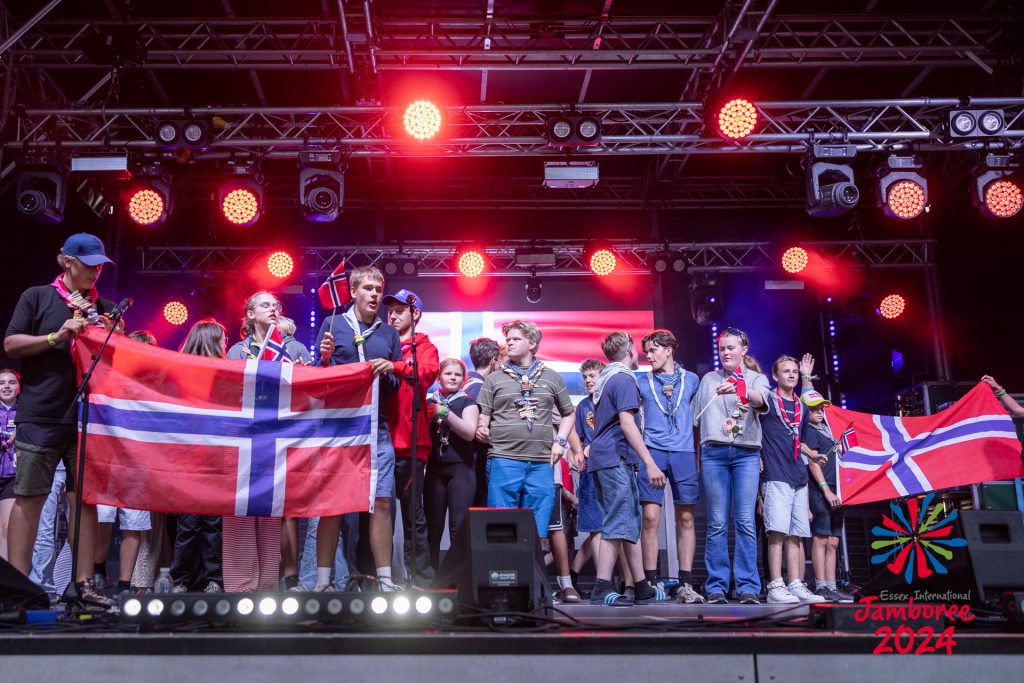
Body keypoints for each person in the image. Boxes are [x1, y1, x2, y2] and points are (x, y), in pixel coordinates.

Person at [4, 233, 117, 607]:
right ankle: (17, 587)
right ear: (65, 261)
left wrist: (107, 336)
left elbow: (122, 364)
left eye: (99, 265)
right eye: (88, 264)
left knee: (85, 500)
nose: (95, 271)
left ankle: (83, 585)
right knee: (30, 498)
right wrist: (56, 335)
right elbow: (11, 344)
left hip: (89, 417)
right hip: (41, 415)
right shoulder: (37, 296)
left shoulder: (106, 307)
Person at [316, 266, 403, 592]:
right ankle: (324, 582)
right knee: (332, 503)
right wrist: (324, 360)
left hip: (376, 426)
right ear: (353, 292)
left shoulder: (388, 333)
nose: (375, 294)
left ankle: (385, 580)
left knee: (382, 501)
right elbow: (319, 381)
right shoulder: (333, 324)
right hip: (340, 426)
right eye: (368, 288)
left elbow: (395, 385)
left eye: (378, 288)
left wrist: (387, 370)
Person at [586, 332, 667, 606]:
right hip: (613, 457)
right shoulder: (623, 379)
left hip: (611, 457)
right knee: (617, 521)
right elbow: (627, 424)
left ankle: (642, 585)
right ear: (631, 350)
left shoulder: (609, 377)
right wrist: (650, 462)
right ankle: (601, 587)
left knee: (629, 520)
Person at [475, 320, 575, 540]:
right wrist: (481, 427)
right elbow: (484, 414)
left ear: (532, 343)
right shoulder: (494, 379)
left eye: (515, 339)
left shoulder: (551, 377)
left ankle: (529, 573)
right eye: (508, 339)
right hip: (504, 457)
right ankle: (503, 572)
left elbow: (569, 413)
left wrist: (560, 442)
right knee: (501, 524)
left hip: (541, 462)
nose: (509, 343)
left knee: (536, 528)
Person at [691, 327, 769, 605]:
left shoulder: (756, 378)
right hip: (714, 454)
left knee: (746, 521)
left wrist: (739, 387)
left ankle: (748, 586)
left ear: (744, 350)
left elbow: (761, 401)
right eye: (722, 348)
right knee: (717, 522)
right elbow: (695, 421)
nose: (725, 352)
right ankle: (717, 587)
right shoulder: (709, 379)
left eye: (731, 348)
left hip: (747, 455)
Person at [224, 291, 296, 592]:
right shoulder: (237, 352)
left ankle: (267, 584)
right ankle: (241, 587)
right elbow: (227, 390)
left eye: (275, 305)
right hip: (243, 438)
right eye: (265, 305)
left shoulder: (292, 349)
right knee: (240, 509)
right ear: (250, 314)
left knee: (270, 512)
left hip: (275, 438)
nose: (273, 309)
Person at [637, 329, 704, 604]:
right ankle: (651, 582)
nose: (649, 356)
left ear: (669, 350)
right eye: (646, 352)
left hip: (683, 452)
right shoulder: (642, 382)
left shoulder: (692, 380)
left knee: (686, 518)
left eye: (653, 350)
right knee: (651, 518)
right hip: (652, 451)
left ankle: (685, 583)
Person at [759, 355, 825, 605]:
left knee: (797, 534)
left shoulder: (802, 407)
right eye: (786, 371)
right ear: (775, 376)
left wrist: (813, 455)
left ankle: (795, 582)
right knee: (777, 531)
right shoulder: (768, 401)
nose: (791, 375)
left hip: (799, 475)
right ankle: (775, 584)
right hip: (776, 474)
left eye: (795, 372)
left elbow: (800, 439)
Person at [384, 289, 439, 584]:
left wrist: (392, 365)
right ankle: (377, 577)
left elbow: (427, 373)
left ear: (414, 314)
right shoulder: (380, 343)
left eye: (398, 311)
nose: (391, 315)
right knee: (378, 515)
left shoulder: (424, 347)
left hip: (410, 446)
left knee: (412, 516)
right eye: (389, 310)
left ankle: (420, 580)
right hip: (379, 442)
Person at [170, 319, 226, 593]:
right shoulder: (181, 373)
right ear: (211, 341)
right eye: (222, 340)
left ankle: (213, 580)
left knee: (213, 522)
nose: (225, 345)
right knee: (189, 522)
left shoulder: (227, 374)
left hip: (216, 457)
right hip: (188, 457)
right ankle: (181, 580)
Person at [423, 358, 479, 571]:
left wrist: (444, 412)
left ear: (463, 379)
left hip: (461, 470)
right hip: (434, 470)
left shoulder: (467, 402)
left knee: (458, 528)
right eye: (448, 374)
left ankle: (458, 578)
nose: (453, 378)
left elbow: (468, 432)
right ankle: (431, 579)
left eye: (457, 375)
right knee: (432, 529)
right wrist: (432, 412)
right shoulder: (429, 402)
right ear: (439, 377)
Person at [800, 390, 853, 603]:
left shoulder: (830, 430)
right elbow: (813, 463)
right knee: (821, 538)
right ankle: (821, 585)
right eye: (814, 408)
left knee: (833, 540)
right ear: (805, 411)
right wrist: (826, 490)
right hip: (821, 490)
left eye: (821, 407)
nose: (819, 411)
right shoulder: (809, 432)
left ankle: (832, 586)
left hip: (838, 489)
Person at [465, 337, 500, 507]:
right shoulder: (480, 388)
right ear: (494, 361)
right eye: (500, 361)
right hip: (477, 463)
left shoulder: (467, 384)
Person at [0, 369, 20, 560]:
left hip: (14, 476)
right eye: (1, 383)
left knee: (6, 528)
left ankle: (5, 582)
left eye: (11, 382)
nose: (6, 386)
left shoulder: (26, 412)